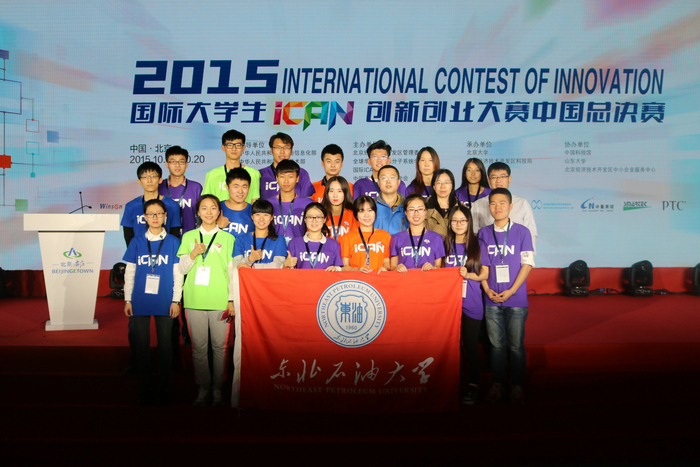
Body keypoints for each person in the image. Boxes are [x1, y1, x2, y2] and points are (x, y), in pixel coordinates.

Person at [123, 199, 184, 405]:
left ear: (165, 216)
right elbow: (130, 273)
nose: (155, 217)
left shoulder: (174, 242)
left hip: (165, 299)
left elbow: (178, 274)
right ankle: (146, 386)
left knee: (166, 345)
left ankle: (165, 386)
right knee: (141, 346)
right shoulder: (136, 242)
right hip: (139, 299)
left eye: (159, 213)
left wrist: (176, 300)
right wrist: (128, 299)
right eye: (150, 214)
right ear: (144, 217)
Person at [177, 195, 236, 407]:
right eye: (204, 208)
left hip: (220, 300)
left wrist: (231, 299)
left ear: (219, 212)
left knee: (220, 348)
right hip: (194, 299)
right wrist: (193, 254)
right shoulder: (189, 236)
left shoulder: (228, 238)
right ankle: (203, 387)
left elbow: (232, 272)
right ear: (198, 212)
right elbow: (181, 269)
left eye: (213, 208)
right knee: (199, 349)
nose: (209, 212)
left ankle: (218, 388)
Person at [478, 188, 535, 405]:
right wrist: (486, 289)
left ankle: (517, 386)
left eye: (502, 203)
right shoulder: (483, 233)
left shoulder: (522, 232)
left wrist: (511, 291)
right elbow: (481, 266)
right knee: (496, 346)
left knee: (516, 346)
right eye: (493, 203)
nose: (497, 207)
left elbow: (527, 264)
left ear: (511, 206)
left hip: (516, 299)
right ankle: (497, 384)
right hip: (491, 298)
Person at [444, 204, 489, 405]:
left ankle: (473, 384)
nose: (459, 224)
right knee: (449, 346)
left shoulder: (478, 245)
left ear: (469, 222)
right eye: (455, 221)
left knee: (470, 345)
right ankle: (449, 382)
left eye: (463, 221)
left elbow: (484, 274)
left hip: (471, 303)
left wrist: (468, 275)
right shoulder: (445, 244)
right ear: (450, 223)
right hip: (448, 306)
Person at [470, 162, 537, 252]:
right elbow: (473, 234)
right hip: (488, 256)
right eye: (494, 177)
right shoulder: (478, 204)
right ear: (489, 180)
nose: (498, 181)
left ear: (509, 179)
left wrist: (528, 257)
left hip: (516, 256)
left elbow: (531, 233)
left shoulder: (522, 203)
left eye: (502, 176)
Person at [121, 162, 182, 247]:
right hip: (140, 252)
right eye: (145, 177)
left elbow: (174, 234)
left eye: (153, 176)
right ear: (139, 181)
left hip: (165, 251)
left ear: (160, 180)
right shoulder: (131, 206)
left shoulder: (172, 206)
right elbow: (128, 236)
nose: (149, 180)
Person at [202, 129, 261, 204]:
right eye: (229, 145)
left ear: (243, 148)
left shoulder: (254, 174)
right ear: (223, 148)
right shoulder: (212, 175)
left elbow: (254, 202)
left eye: (238, 145)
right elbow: (206, 202)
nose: (234, 149)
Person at [390, 194, 445, 272]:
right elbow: (392, 267)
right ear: (405, 212)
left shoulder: (436, 238)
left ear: (426, 211)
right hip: (405, 279)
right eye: (411, 210)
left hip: (428, 279)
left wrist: (433, 268)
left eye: (420, 209)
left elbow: (439, 267)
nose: (416, 214)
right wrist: (397, 268)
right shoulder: (397, 238)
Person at [265, 159, 313, 244]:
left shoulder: (308, 204)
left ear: (297, 179)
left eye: (290, 177)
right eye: (282, 176)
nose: (286, 181)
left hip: (300, 249)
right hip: (274, 250)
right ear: (277, 178)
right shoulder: (268, 204)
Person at [285, 203, 343, 271]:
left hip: (325, 278)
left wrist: (336, 269)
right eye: (310, 217)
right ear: (305, 219)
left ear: (324, 219)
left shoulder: (333, 244)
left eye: (318, 217)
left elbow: (338, 269)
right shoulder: (294, 243)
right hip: (301, 278)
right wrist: (285, 265)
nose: (314, 220)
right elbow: (288, 270)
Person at [158, 145, 203, 235]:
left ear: (186, 164)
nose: (177, 165)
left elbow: (202, 215)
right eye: (173, 161)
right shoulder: (159, 187)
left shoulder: (196, 187)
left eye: (181, 161)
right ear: (167, 164)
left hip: (191, 238)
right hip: (165, 239)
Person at [340, 196, 391, 273]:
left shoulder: (385, 236)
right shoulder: (347, 238)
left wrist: (385, 268)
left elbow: (387, 262)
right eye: (361, 211)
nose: (366, 215)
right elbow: (344, 267)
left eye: (370, 210)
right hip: (356, 279)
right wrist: (357, 270)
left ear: (375, 212)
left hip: (379, 278)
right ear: (356, 214)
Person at [232, 199, 287, 269]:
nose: (261, 219)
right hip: (246, 276)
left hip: (269, 276)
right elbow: (236, 265)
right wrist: (249, 259)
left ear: (271, 217)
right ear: (252, 216)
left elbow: (278, 265)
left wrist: (252, 268)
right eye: (257, 214)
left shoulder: (279, 239)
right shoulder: (241, 239)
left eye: (266, 215)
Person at [259, 132, 315, 200]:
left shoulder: (302, 174)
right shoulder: (260, 174)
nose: (282, 151)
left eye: (286, 147)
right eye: (278, 147)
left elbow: (306, 200)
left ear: (291, 151)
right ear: (271, 150)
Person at [218, 168, 254, 238]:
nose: (240, 191)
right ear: (227, 187)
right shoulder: (216, 208)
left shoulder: (254, 211)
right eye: (236, 187)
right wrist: (216, 226)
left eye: (244, 187)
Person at [425, 168, 459, 239]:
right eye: (439, 183)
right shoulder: (424, 208)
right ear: (434, 186)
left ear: (452, 186)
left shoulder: (462, 209)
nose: (443, 186)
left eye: (446, 182)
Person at [374, 165, 408, 236]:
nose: (388, 181)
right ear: (378, 183)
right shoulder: (371, 205)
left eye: (392, 178)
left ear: (398, 182)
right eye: (384, 178)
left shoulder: (408, 206)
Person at [321, 176, 358, 240]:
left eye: (339, 191)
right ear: (327, 193)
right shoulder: (320, 215)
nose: (335, 195)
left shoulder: (354, 215)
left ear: (345, 193)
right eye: (331, 191)